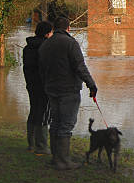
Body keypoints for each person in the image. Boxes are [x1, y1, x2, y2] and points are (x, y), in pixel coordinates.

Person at [38, 16, 97, 170]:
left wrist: (46, 86)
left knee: (56, 122)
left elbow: (42, 70)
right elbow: (80, 67)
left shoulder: (46, 44)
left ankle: (55, 158)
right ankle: (63, 161)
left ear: (54, 28)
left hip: (51, 89)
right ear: (68, 28)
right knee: (66, 124)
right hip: (68, 90)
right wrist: (91, 85)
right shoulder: (70, 43)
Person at [23, 21, 53, 154]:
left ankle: (31, 144)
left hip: (31, 85)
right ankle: (41, 146)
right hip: (44, 86)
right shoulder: (46, 48)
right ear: (47, 34)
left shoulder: (27, 47)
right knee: (44, 114)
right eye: (51, 32)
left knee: (34, 111)